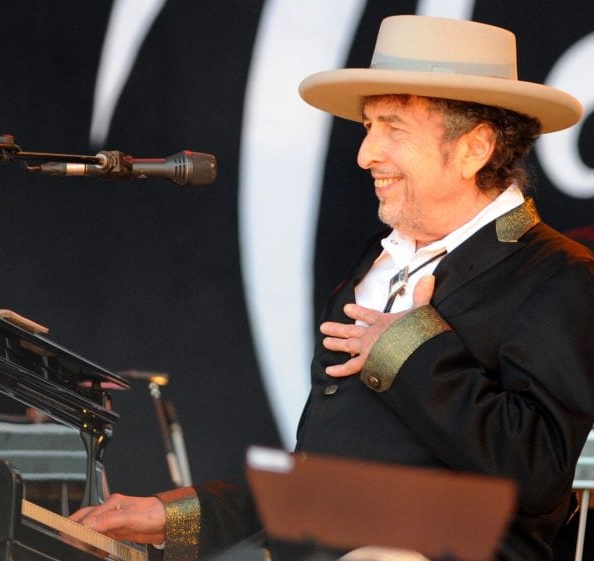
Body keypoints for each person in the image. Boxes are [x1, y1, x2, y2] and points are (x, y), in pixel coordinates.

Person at [70, 15, 594, 561]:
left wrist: (412, 351)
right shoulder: (379, 259)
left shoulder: (556, 273)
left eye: (393, 128)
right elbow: (335, 487)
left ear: (474, 148)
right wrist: (180, 515)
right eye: (369, 127)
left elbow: (538, 474)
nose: (366, 154)